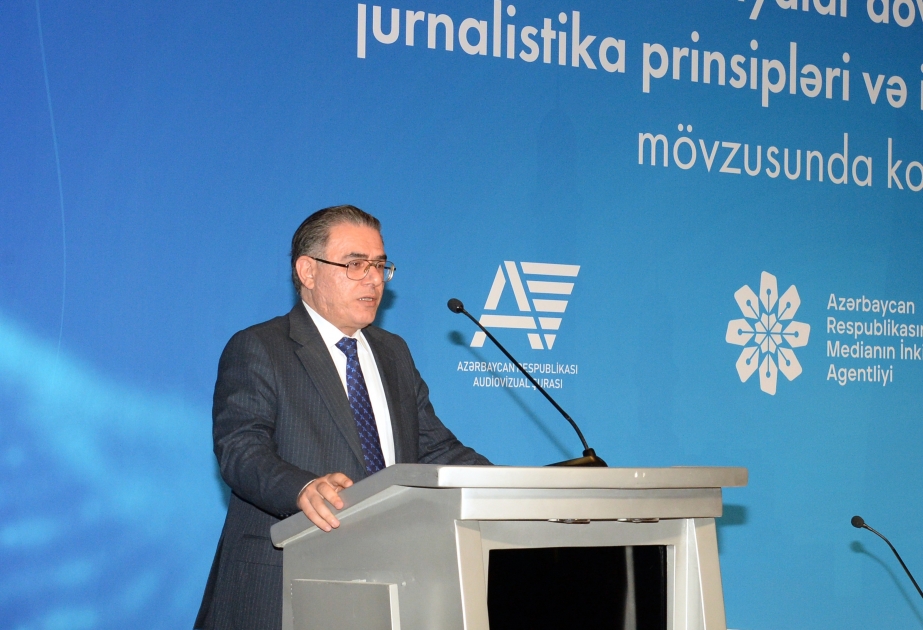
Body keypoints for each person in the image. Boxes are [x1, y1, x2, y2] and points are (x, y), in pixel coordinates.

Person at [194, 205, 489, 629]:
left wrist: (514, 488)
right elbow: (241, 450)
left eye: (380, 265)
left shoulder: (393, 352)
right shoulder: (261, 347)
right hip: (284, 580)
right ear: (308, 271)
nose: (373, 279)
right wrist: (302, 488)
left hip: (388, 580)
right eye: (355, 264)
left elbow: (436, 449)